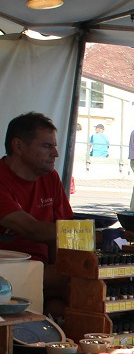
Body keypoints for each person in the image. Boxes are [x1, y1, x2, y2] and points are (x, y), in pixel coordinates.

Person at [0, 112, 73, 263]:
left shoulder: (50, 177)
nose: (55, 154)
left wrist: (63, 269)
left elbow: (61, 230)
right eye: (47, 146)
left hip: (40, 269)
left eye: (54, 146)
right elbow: (32, 229)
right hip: (8, 273)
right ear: (18, 146)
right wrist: (94, 234)